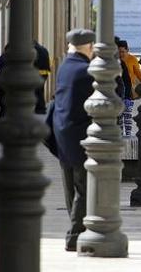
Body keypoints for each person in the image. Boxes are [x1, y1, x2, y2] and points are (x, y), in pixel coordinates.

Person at [51, 28, 96, 251]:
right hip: (80, 138)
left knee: (70, 188)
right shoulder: (86, 71)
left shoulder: (65, 67)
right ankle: (75, 235)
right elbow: (114, 93)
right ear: (89, 47)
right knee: (83, 188)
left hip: (62, 136)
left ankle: (75, 227)